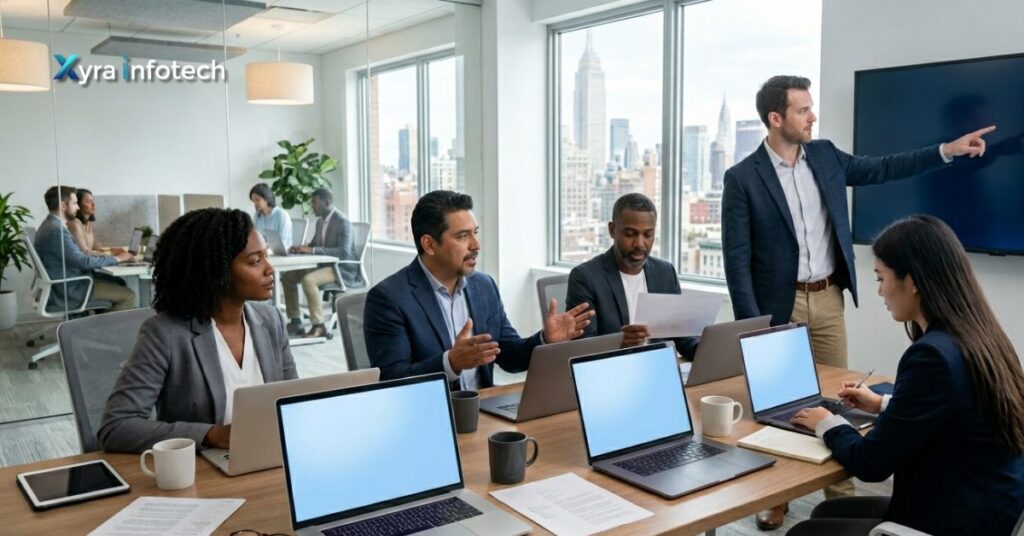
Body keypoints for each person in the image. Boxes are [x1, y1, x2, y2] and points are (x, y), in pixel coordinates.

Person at [722, 75, 996, 529]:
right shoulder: (743, 178)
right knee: (776, 406)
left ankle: (839, 492)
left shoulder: (826, 157)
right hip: (778, 305)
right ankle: (778, 495)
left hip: (826, 296)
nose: (813, 116)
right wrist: (754, 324)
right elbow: (737, 259)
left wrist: (946, 150)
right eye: (803, 110)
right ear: (776, 118)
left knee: (834, 399)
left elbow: (884, 167)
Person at [787, 215, 1024, 536]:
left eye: (881, 278)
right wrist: (883, 404)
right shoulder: (981, 335)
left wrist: (825, 422)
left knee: (804, 533)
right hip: (989, 509)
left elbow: (871, 464)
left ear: (911, 282)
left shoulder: (932, 355)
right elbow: (957, 410)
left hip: (954, 521)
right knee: (828, 511)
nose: (880, 291)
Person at [99, 208, 297, 453]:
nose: (270, 269)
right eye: (255, 261)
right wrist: (213, 435)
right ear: (217, 270)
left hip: (267, 460)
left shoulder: (271, 321)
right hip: (202, 472)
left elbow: (292, 402)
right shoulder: (166, 333)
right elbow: (117, 427)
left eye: (266, 256)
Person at [363, 190, 594, 389]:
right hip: (429, 417)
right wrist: (450, 363)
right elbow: (391, 381)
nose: (476, 245)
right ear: (429, 244)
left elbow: (508, 355)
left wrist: (544, 340)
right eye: (463, 236)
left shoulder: (484, 286)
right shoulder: (389, 298)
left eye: (475, 232)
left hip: (483, 411)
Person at [565, 193, 699, 358]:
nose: (640, 244)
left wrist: (704, 350)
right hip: (612, 373)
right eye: (630, 234)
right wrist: (620, 344)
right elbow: (581, 348)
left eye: (648, 235)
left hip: (658, 368)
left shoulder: (665, 272)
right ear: (613, 230)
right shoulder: (585, 277)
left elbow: (682, 336)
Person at [34, 186, 135, 312]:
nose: (77, 207)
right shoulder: (57, 231)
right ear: (63, 205)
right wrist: (118, 258)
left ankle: (94, 324)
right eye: (75, 203)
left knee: (118, 282)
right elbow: (83, 262)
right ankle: (104, 331)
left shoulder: (49, 225)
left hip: (66, 283)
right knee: (128, 295)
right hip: (70, 289)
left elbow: (80, 256)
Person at [282, 187, 354, 338]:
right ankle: (295, 320)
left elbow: (344, 252)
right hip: (322, 266)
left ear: (326, 203)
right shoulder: (320, 222)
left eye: (314, 203)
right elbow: (314, 245)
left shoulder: (343, 222)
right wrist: (302, 248)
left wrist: (313, 250)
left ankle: (318, 325)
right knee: (288, 277)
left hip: (339, 269)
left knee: (309, 280)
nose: (312, 206)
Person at [66, 188, 125, 256]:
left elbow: (95, 249)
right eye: (88, 202)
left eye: (93, 201)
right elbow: (85, 252)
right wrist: (112, 254)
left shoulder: (88, 224)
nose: (93, 204)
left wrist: (112, 250)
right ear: (78, 204)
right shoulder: (74, 223)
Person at [249, 183, 293, 251]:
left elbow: (283, 244)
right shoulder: (257, 216)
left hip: (281, 255)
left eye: (258, 200)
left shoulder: (282, 215)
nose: (255, 204)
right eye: (253, 201)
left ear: (266, 198)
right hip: (263, 253)